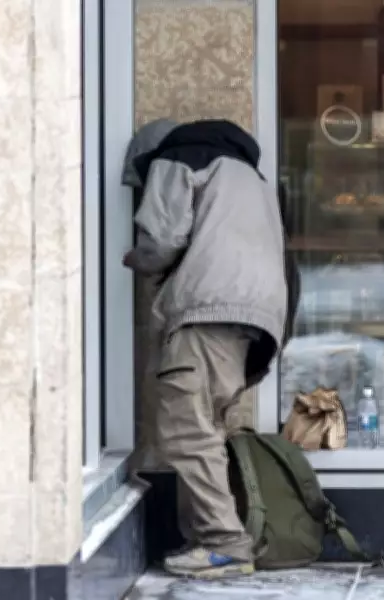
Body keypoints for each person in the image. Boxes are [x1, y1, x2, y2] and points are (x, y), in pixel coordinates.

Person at [121, 118, 299, 579]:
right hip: (255, 316)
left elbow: (161, 240)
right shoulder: (250, 177)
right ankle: (204, 537)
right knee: (204, 428)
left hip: (208, 309)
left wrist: (131, 258)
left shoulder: (178, 157)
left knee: (185, 430)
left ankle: (225, 544)